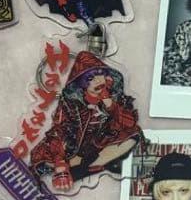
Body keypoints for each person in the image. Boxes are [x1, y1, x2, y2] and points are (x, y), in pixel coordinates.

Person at [30, 51, 144, 192]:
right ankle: (76, 166)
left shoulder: (114, 97)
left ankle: (86, 166)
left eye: (100, 75)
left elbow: (130, 124)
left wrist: (112, 107)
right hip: (74, 148)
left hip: (100, 146)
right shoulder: (71, 103)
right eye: (90, 78)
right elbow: (59, 130)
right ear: (82, 83)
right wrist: (60, 162)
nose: (98, 81)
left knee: (134, 136)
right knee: (46, 155)